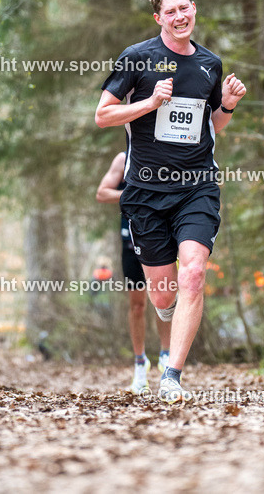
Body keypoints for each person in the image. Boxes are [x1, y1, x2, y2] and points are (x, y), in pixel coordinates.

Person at [95, 0, 246, 403]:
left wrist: (228, 105)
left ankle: (172, 375)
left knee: (194, 271)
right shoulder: (138, 58)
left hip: (196, 185)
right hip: (144, 192)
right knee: (162, 294)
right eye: (171, 12)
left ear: (193, 10)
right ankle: (168, 316)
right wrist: (149, 103)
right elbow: (103, 115)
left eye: (186, 8)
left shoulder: (209, 65)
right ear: (159, 18)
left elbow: (210, 126)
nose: (180, 17)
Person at [97, 151, 173, 394]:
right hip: (131, 241)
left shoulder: (167, 153)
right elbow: (102, 193)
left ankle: (166, 357)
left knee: (164, 302)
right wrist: (134, 195)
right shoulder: (123, 158)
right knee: (138, 305)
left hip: (162, 238)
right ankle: (140, 364)